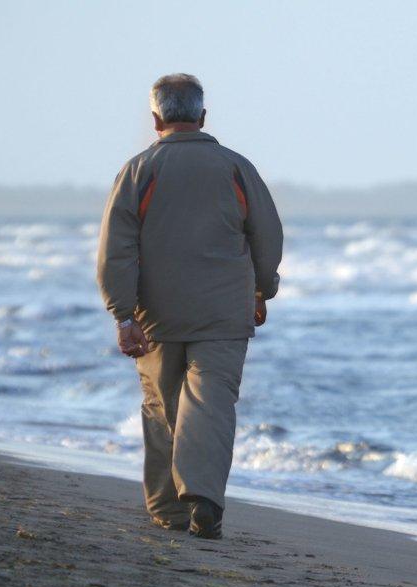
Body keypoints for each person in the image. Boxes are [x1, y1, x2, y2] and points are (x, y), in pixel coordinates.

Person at [96, 73, 283, 539]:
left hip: (156, 315)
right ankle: (202, 496)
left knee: (162, 405)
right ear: (202, 116)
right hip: (224, 313)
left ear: (156, 117)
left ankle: (169, 509)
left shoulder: (138, 170)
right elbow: (267, 236)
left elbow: (115, 250)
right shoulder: (236, 168)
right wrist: (263, 289)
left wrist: (122, 314)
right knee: (211, 402)